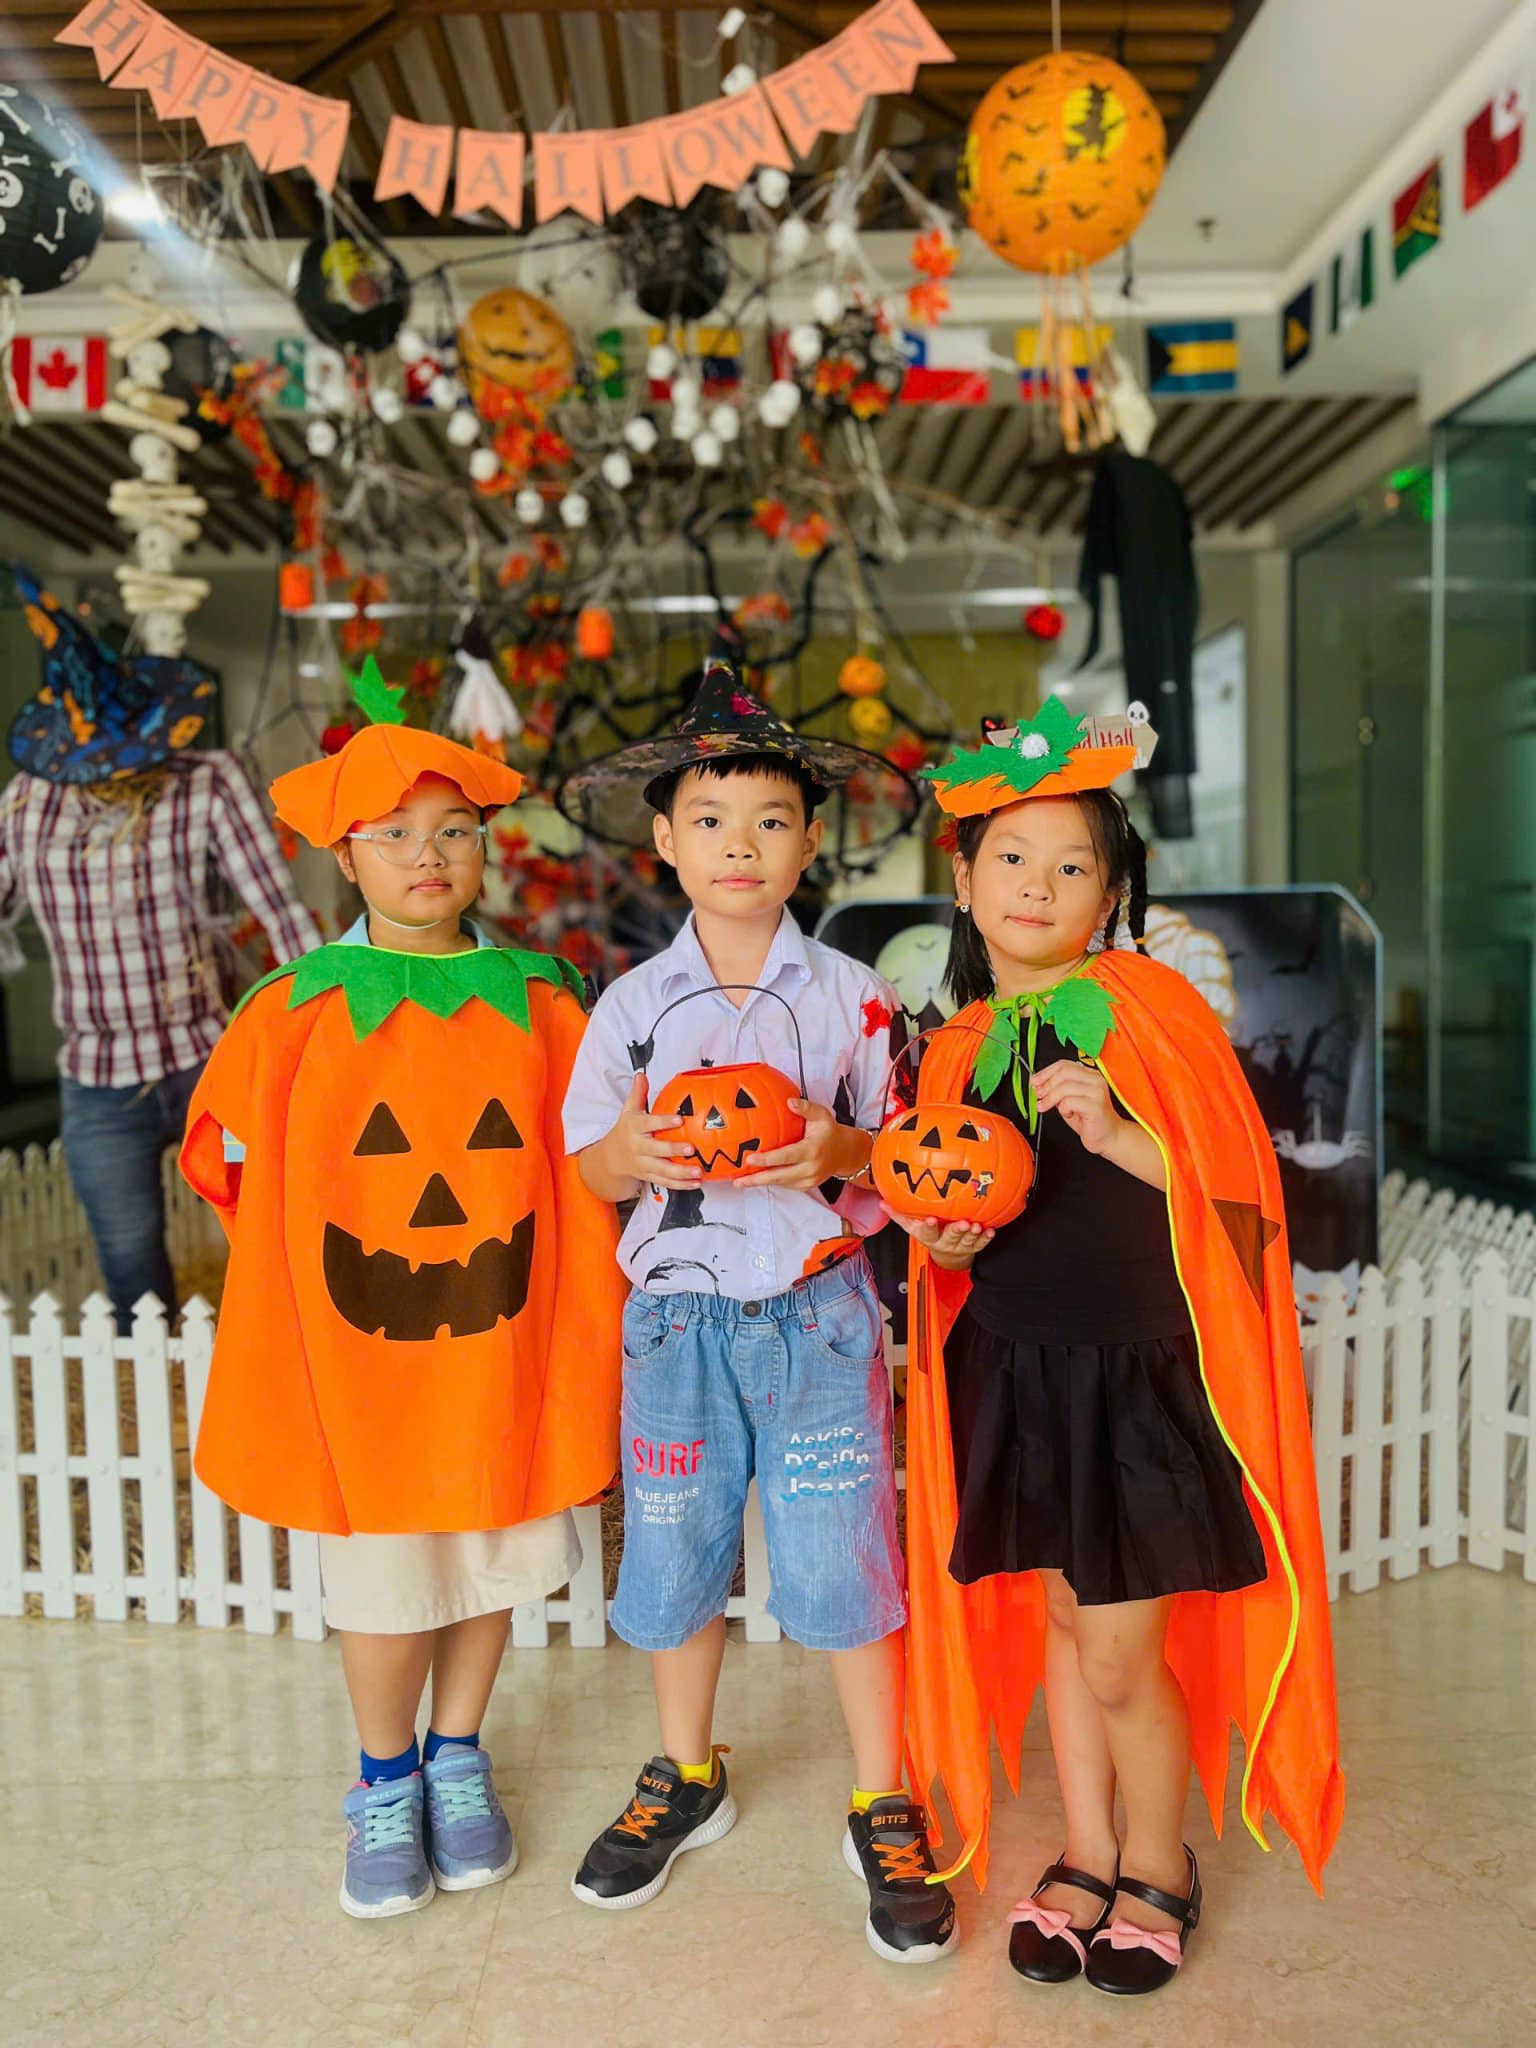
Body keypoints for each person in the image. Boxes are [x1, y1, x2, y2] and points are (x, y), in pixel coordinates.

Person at [892, 697, 1343, 1996]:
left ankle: (1160, 1859)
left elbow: (1251, 1211)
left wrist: (1122, 1134)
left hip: (1141, 1377)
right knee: (1056, 1615)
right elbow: (947, 1221)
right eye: (1011, 857)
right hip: (1018, 1369)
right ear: (964, 883)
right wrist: (944, 1244)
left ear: (1111, 893)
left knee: (1116, 1647)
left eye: (1071, 864)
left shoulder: (1152, 1012)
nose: (1037, 884)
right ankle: (1085, 1848)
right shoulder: (957, 1047)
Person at [179, 663, 625, 1920]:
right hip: (360, 1352)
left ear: (484, 847)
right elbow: (223, 1158)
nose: (428, 856)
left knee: (492, 1547)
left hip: (496, 1333)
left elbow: (592, 1155)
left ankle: (457, 1752)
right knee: (382, 1572)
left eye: (454, 831)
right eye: (395, 834)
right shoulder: (294, 1011)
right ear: (346, 856)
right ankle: (384, 1775)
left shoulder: (543, 1000)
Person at [559, 659, 957, 1963]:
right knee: (675, 1551)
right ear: (666, 841)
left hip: (815, 1314)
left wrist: (840, 1152)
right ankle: (687, 1770)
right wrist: (628, 1156)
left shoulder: (853, 997)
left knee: (846, 1557)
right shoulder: (629, 1006)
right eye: (712, 819)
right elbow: (586, 1164)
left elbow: (908, 1153)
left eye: (771, 819)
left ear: (810, 840)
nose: (741, 843)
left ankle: (881, 1792)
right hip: (676, 1326)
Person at [0, 566, 319, 1326]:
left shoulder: (205, 781)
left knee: (268, 1220)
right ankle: (161, 1372)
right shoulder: (24, 806)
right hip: (97, 1078)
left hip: (209, 1057)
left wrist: (326, 1012)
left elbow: (279, 911)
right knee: (130, 1258)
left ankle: (279, 1354)